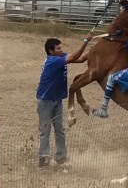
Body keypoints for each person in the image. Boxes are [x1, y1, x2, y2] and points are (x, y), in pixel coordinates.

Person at [36, 32, 94, 167]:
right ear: (51, 51)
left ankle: (60, 157)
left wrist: (95, 49)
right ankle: (43, 158)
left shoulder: (59, 56)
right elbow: (74, 56)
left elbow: (80, 58)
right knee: (45, 130)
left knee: (60, 129)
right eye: (58, 48)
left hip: (56, 99)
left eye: (61, 48)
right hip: (45, 101)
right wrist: (86, 41)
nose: (61, 50)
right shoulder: (53, 61)